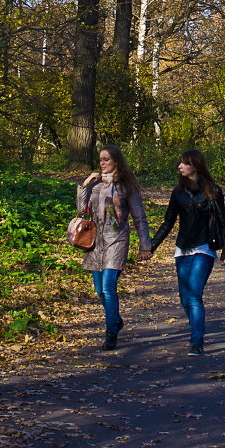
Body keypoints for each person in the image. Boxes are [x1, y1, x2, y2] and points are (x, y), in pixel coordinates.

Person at [150, 149, 225, 356]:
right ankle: (197, 325)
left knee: (194, 294)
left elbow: (222, 221)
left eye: (184, 163)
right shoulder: (178, 192)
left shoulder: (213, 190)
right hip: (183, 249)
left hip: (204, 248)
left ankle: (197, 342)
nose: (180, 167)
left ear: (195, 165)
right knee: (185, 298)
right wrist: (150, 246)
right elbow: (168, 222)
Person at [77, 144, 153, 351]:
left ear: (116, 162)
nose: (102, 163)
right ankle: (116, 319)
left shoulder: (127, 186)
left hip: (117, 239)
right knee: (99, 291)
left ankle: (111, 332)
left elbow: (139, 218)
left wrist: (145, 246)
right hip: (94, 242)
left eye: (106, 160)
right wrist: (85, 185)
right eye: (100, 159)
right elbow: (81, 210)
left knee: (109, 286)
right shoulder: (95, 185)